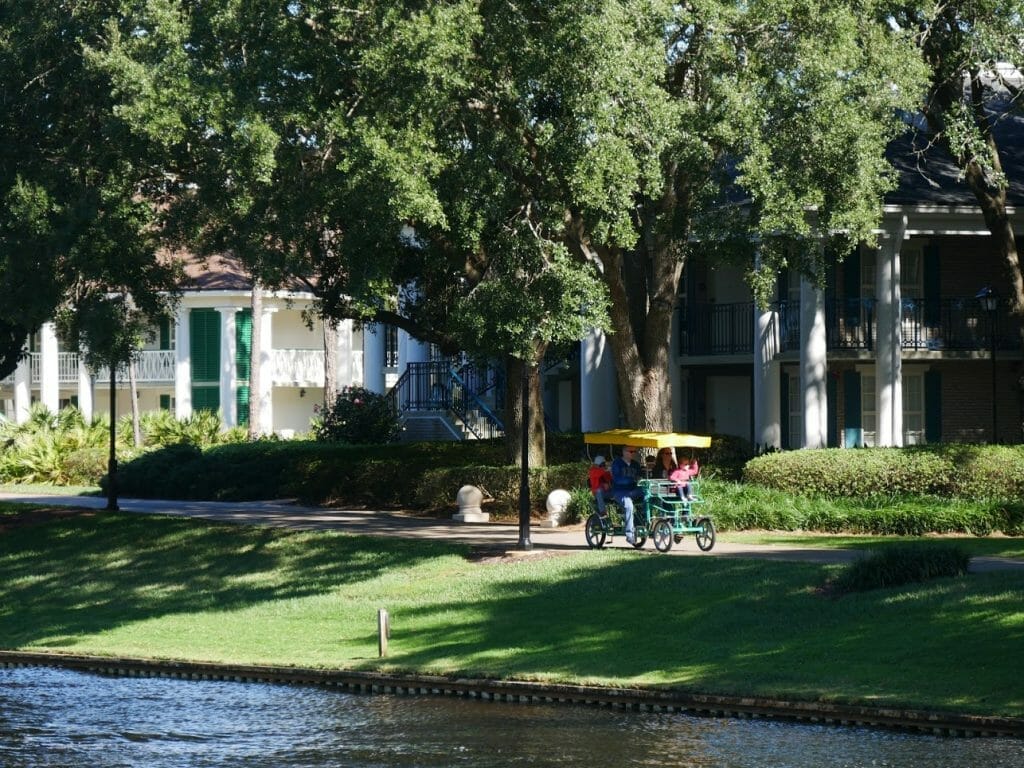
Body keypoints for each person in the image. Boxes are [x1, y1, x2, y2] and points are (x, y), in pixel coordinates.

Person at [609, 446, 645, 544]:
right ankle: (629, 535)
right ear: (624, 452)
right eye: (630, 451)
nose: (632, 453)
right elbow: (617, 479)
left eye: (634, 451)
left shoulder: (635, 464)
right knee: (629, 506)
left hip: (633, 491)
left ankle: (641, 524)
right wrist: (632, 480)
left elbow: (641, 475)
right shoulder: (617, 463)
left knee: (648, 496)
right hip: (620, 492)